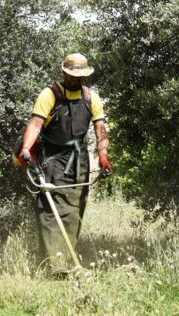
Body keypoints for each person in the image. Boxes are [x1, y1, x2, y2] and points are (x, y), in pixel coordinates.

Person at [17, 53, 112, 275]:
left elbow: (100, 130)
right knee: (51, 210)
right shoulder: (50, 95)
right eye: (72, 75)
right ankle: (54, 267)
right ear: (64, 72)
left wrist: (104, 155)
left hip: (78, 157)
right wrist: (25, 149)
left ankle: (67, 262)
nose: (76, 79)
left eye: (80, 76)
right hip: (52, 156)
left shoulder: (91, 97)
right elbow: (36, 124)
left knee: (74, 209)